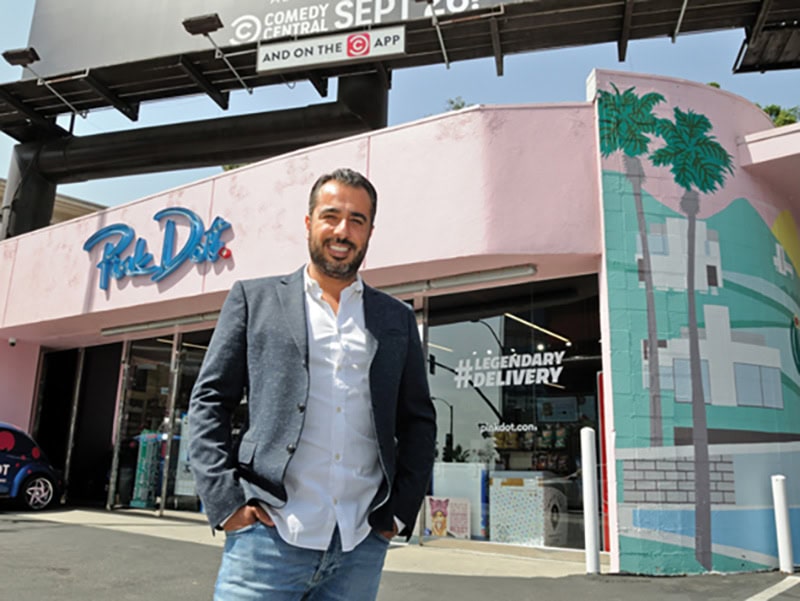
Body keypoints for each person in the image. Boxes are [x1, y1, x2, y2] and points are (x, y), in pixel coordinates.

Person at [188, 167, 437, 600]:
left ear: (370, 232)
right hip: (266, 539)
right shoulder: (255, 299)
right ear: (309, 223)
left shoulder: (395, 318)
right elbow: (210, 401)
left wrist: (397, 513)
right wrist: (225, 502)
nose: (343, 230)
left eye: (357, 220)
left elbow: (418, 421)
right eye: (331, 216)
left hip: (360, 543)